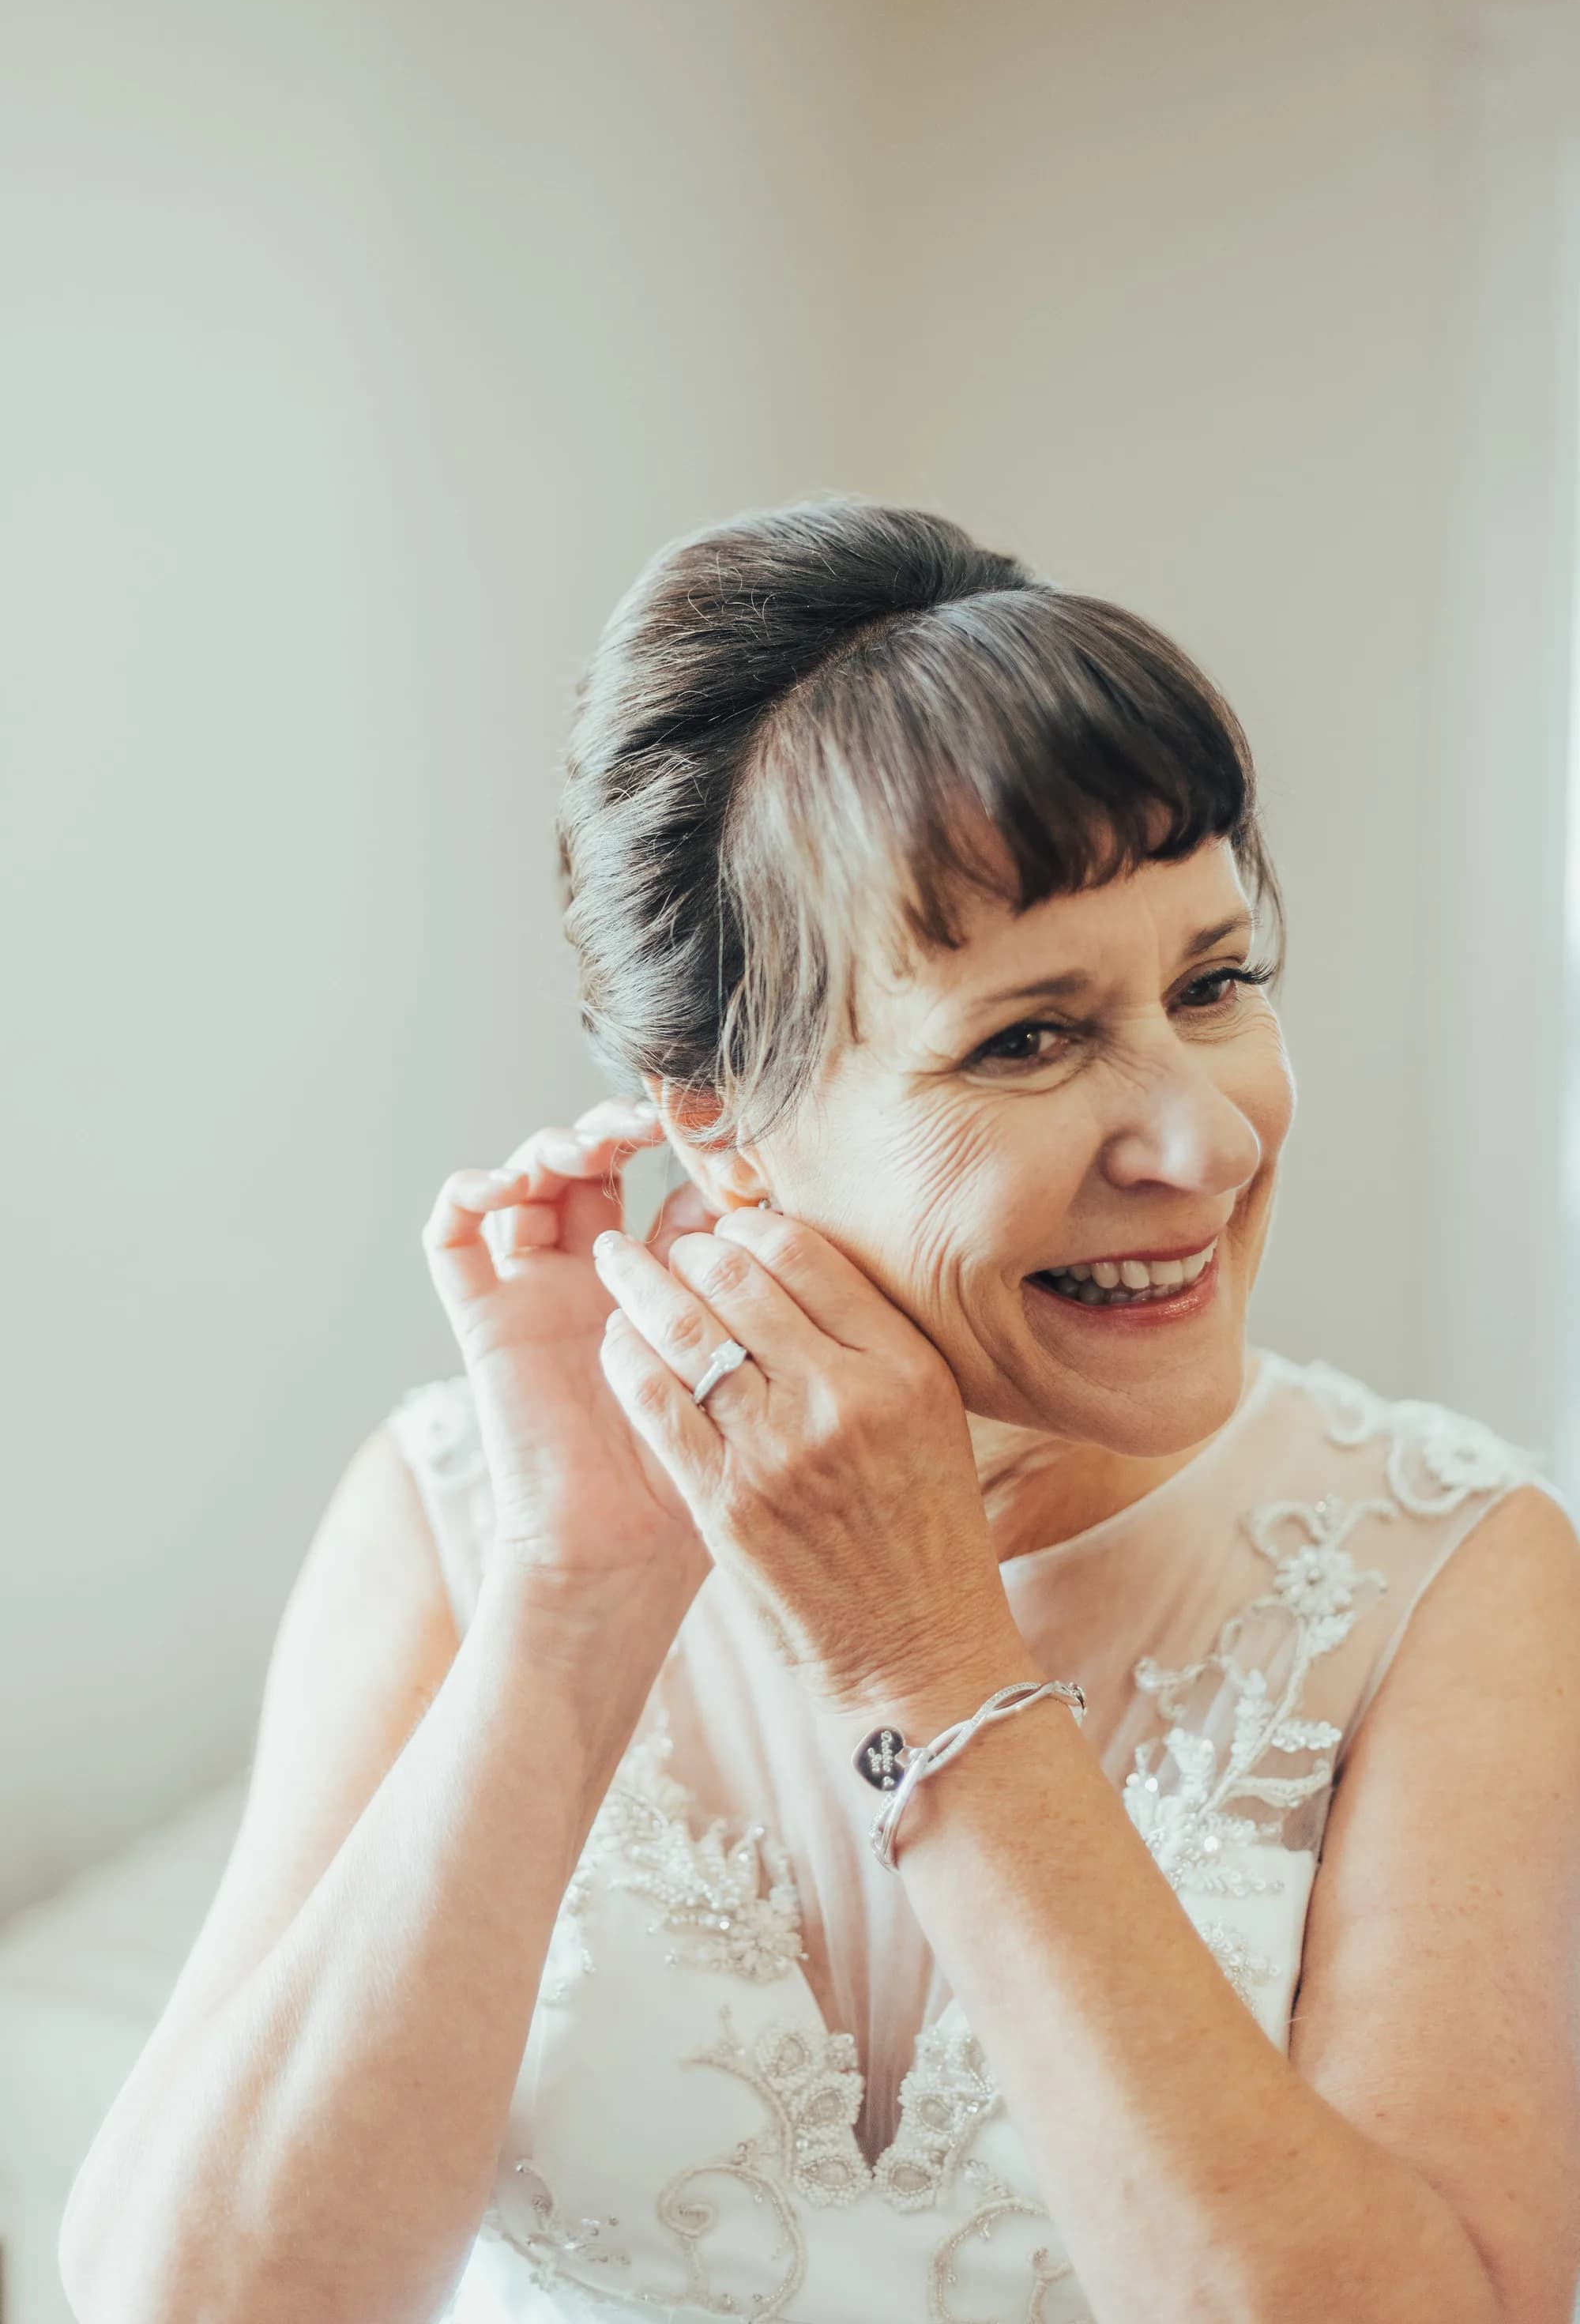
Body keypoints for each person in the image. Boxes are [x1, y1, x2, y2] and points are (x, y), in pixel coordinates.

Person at [62, 499, 1580, 2324]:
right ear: (717, 1119)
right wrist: (573, 1599)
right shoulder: (463, 1516)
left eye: (1214, 982)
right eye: (1026, 1038)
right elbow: (193, 2302)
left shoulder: (1453, 1577)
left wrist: (929, 1659)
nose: (1203, 1139)